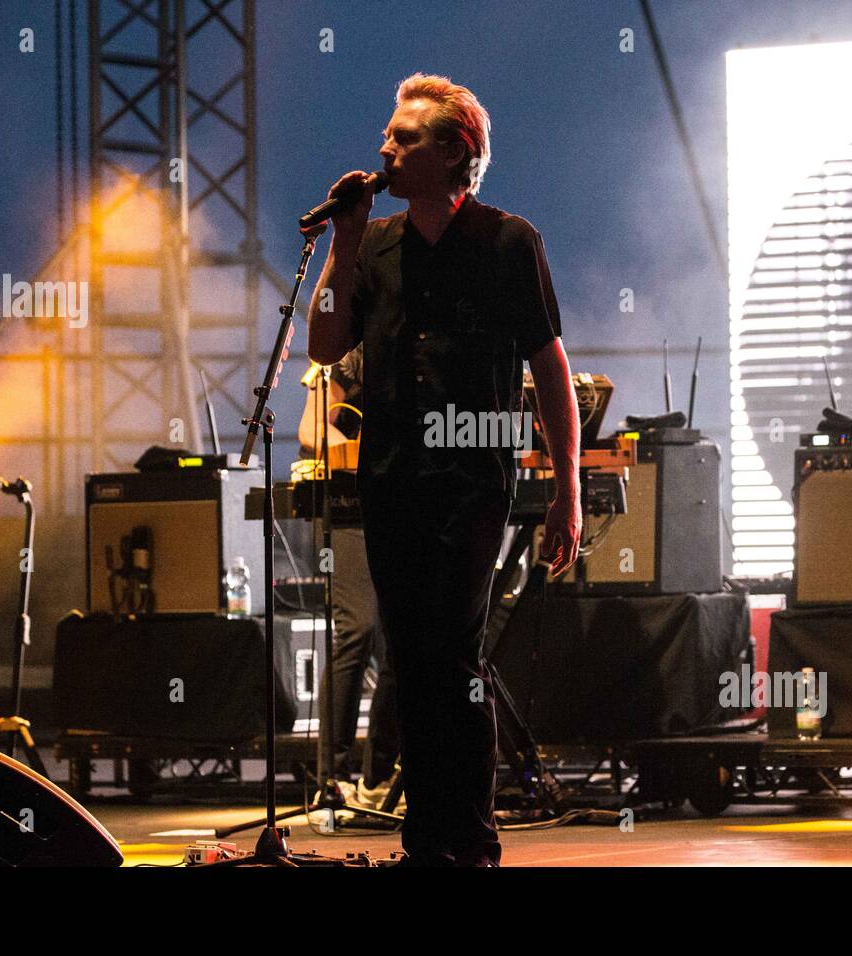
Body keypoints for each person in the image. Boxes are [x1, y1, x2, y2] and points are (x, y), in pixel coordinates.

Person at [308, 73, 582, 867]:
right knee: (410, 657)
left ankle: (469, 842)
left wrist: (566, 490)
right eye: (387, 136)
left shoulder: (507, 243)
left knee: (453, 653)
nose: (385, 150)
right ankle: (429, 840)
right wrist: (345, 242)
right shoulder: (380, 245)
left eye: (405, 139)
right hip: (390, 478)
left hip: (471, 484)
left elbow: (551, 369)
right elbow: (327, 345)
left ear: (456, 154)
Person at [296, 348, 400, 807]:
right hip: (351, 505)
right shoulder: (345, 354)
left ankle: (378, 777)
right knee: (356, 629)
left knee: (403, 643)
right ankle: (331, 778)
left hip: (409, 504)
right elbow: (310, 431)